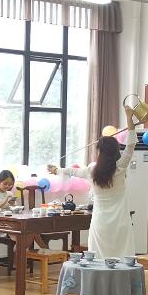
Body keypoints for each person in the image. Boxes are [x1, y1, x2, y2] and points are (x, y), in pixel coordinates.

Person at [48, 104, 137, 258]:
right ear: (116, 151)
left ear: (100, 152)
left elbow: (71, 171)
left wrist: (56, 170)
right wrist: (129, 118)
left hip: (100, 221)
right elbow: (131, 145)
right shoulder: (120, 167)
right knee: (121, 256)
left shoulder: (91, 170)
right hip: (120, 221)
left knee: (99, 257)